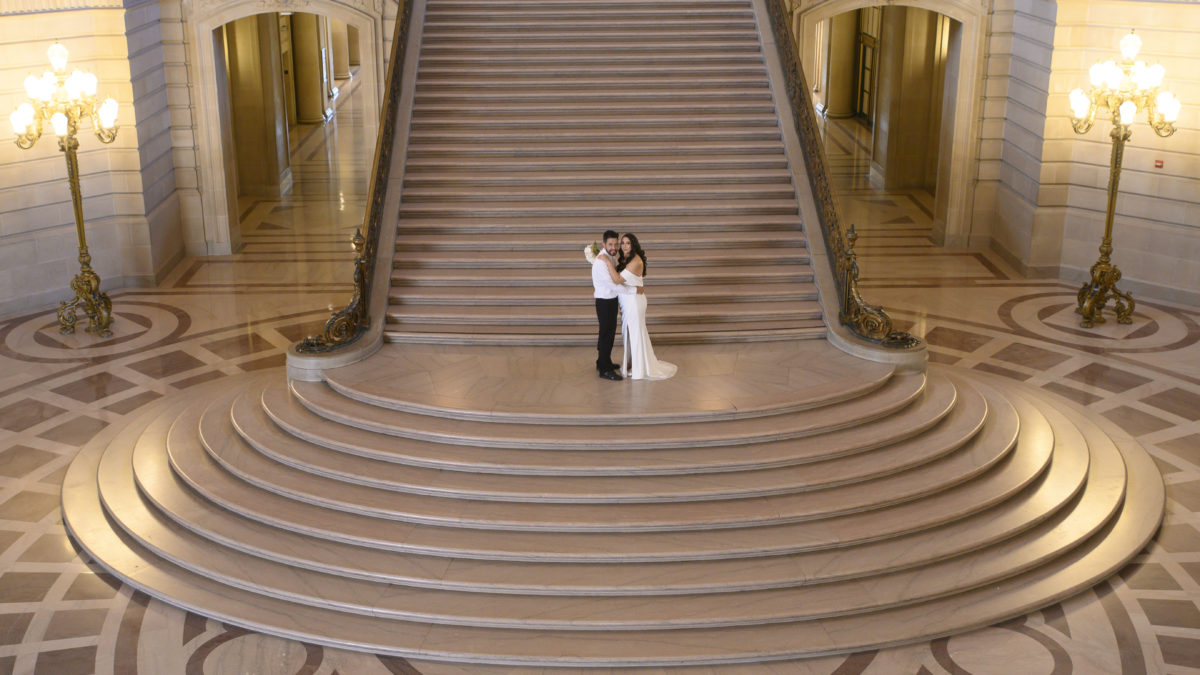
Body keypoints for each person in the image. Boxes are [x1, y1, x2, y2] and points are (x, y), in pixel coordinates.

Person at [616, 233, 676, 380]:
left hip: (634, 302)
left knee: (635, 334)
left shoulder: (636, 261)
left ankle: (638, 367)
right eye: (622, 242)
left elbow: (618, 279)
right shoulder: (626, 259)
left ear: (634, 244)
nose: (624, 245)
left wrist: (602, 262)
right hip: (628, 302)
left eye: (628, 243)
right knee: (630, 334)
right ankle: (632, 363)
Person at [592, 230, 642, 381]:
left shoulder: (609, 257)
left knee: (607, 333)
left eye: (615, 243)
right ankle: (604, 370)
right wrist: (634, 290)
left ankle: (602, 361)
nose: (614, 247)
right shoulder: (602, 261)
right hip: (605, 302)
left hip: (611, 301)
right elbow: (613, 285)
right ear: (603, 244)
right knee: (607, 334)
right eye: (610, 244)